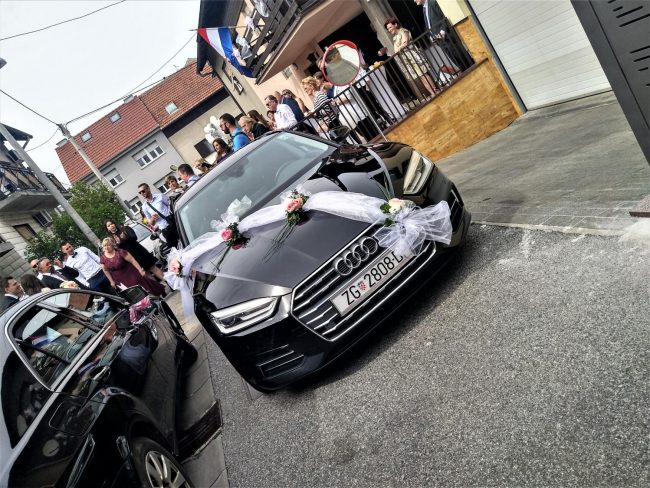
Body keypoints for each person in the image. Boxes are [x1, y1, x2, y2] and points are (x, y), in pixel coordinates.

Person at [385, 17, 438, 98]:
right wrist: (398, 49)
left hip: (412, 55)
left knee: (423, 74)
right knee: (420, 77)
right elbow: (397, 49)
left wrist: (398, 49)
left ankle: (435, 90)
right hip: (406, 58)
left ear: (395, 24)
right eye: (388, 29)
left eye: (390, 27)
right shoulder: (395, 37)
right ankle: (432, 92)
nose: (389, 30)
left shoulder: (403, 31)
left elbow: (405, 43)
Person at [415, 0, 473, 72]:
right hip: (440, 41)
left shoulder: (433, 2)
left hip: (447, 37)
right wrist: (431, 36)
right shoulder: (424, 9)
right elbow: (429, 26)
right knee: (458, 62)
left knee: (463, 58)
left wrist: (442, 32)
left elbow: (443, 16)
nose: (414, 1)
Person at [99, 238, 164, 296]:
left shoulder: (120, 252)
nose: (106, 247)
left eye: (108, 245)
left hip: (131, 274)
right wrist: (111, 281)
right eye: (104, 246)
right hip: (119, 279)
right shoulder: (102, 258)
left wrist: (140, 270)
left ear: (113, 246)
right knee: (132, 294)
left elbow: (132, 260)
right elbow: (105, 270)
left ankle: (155, 298)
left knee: (143, 288)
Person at [138, 183, 177, 247]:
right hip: (165, 229)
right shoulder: (144, 207)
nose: (142, 193)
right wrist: (153, 219)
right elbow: (151, 223)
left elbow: (171, 206)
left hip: (174, 223)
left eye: (143, 191)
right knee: (176, 248)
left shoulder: (160, 196)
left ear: (148, 189)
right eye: (140, 192)